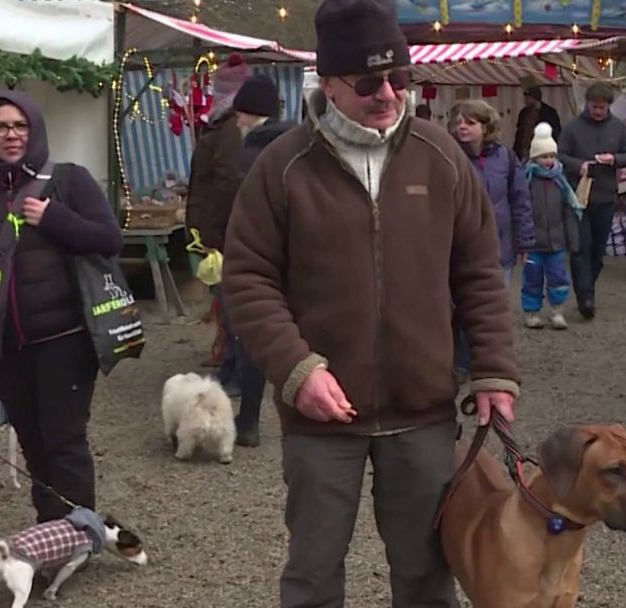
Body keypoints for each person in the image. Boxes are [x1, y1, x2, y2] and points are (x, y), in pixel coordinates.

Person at [222, 1, 520, 606]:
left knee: (427, 574)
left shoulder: (441, 158)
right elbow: (248, 278)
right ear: (328, 84)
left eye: (400, 77)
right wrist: (295, 368)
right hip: (320, 418)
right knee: (312, 572)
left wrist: (493, 370)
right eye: (367, 82)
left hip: (423, 410)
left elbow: (479, 275)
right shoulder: (283, 167)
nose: (387, 93)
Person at [0, 92, 123, 522]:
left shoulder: (70, 180)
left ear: (35, 129)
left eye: (19, 125)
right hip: (7, 347)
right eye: (0, 127)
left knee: (63, 440)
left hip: (65, 340)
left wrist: (56, 218)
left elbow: (110, 240)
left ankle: (79, 531)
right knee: (33, 440)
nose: (11, 135)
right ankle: (49, 526)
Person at [214, 73, 295, 448]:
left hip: (258, 258)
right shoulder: (299, 147)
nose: (238, 120)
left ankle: (248, 420)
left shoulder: (252, 154)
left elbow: (238, 211)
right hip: (297, 257)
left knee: (251, 338)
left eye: (242, 113)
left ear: (252, 114)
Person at [450, 99, 535, 380]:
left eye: (470, 122)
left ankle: (493, 367)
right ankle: (462, 363)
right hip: (459, 247)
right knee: (462, 309)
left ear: (486, 128)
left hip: (501, 248)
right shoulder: (448, 156)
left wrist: (525, 241)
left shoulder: (507, 158)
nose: (462, 126)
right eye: (459, 121)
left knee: (494, 310)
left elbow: (520, 200)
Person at [186, 52, 249, 391]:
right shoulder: (223, 125)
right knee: (225, 302)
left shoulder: (228, 130)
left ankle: (238, 373)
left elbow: (226, 182)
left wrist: (211, 230)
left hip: (224, 233)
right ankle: (229, 367)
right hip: (220, 228)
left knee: (231, 303)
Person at [558, 82, 626, 320]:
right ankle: (585, 298)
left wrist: (614, 159)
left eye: (602, 107)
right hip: (578, 196)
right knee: (581, 248)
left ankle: (587, 285)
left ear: (608, 106)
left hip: (606, 195)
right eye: (594, 107)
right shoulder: (572, 128)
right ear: (587, 104)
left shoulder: (618, 128)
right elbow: (560, 154)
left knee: (598, 251)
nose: (598, 111)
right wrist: (578, 165)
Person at [521, 122, 584, 330]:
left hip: (557, 241)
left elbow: (569, 211)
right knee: (532, 278)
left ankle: (557, 310)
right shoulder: (526, 180)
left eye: (551, 156)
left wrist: (572, 240)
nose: (548, 161)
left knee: (558, 277)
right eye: (544, 156)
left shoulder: (561, 182)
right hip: (533, 243)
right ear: (534, 157)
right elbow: (521, 210)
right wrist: (521, 239)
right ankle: (532, 312)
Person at [513, 86, 561, 161]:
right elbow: (519, 133)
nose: (525, 101)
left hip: (541, 153)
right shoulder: (524, 113)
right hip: (524, 152)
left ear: (534, 98)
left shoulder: (549, 113)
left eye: (527, 98)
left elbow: (556, 133)